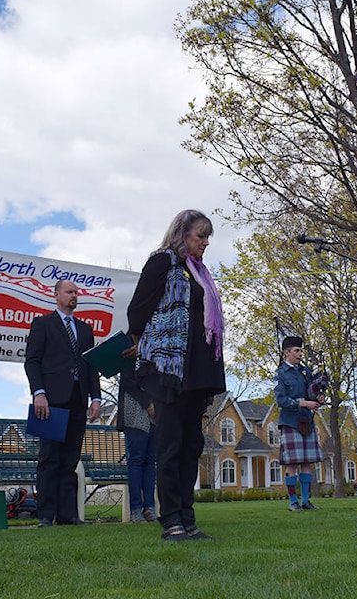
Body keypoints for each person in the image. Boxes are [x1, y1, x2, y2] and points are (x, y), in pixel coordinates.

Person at [126, 209, 226, 541]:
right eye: (201, 236)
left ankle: (187, 516)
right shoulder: (162, 263)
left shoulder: (201, 272)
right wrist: (143, 345)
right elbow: (137, 311)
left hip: (198, 371)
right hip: (169, 368)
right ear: (182, 235)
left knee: (191, 445)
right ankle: (171, 519)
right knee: (169, 445)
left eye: (208, 237)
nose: (205, 243)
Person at [24, 280, 102, 527]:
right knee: (49, 459)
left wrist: (96, 398)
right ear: (56, 295)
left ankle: (68, 515)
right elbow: (32, 361)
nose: (74, 296)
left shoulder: (85, 330)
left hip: (78, 400)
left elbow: (91, 367)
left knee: (70, 461)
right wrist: (39, 393)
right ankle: (46, 515)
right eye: (69, 292)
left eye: (76, 292)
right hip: (50, 401)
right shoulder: (42, 325)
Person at [274, 336, 325, 511]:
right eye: (297, 351)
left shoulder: (305, 372)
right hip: (290, 421)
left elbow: (311, 393)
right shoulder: (280, 374)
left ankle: (306, 501)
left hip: (306, 420)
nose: (300, 354)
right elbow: (281, 400)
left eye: (301, 350)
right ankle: (293, 502)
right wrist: (304, 403)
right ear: (286, 352)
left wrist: (318, 398)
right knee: (292, 463)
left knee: (306, 462)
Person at [116, 362, 157, 523]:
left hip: (155, 414)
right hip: (134, 413)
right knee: (136, 460)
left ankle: (150, 507)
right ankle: (135, 509)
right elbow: (127, 381)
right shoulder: (128, 353)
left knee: (150, 460)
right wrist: (147, 403)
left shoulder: (155, 352)